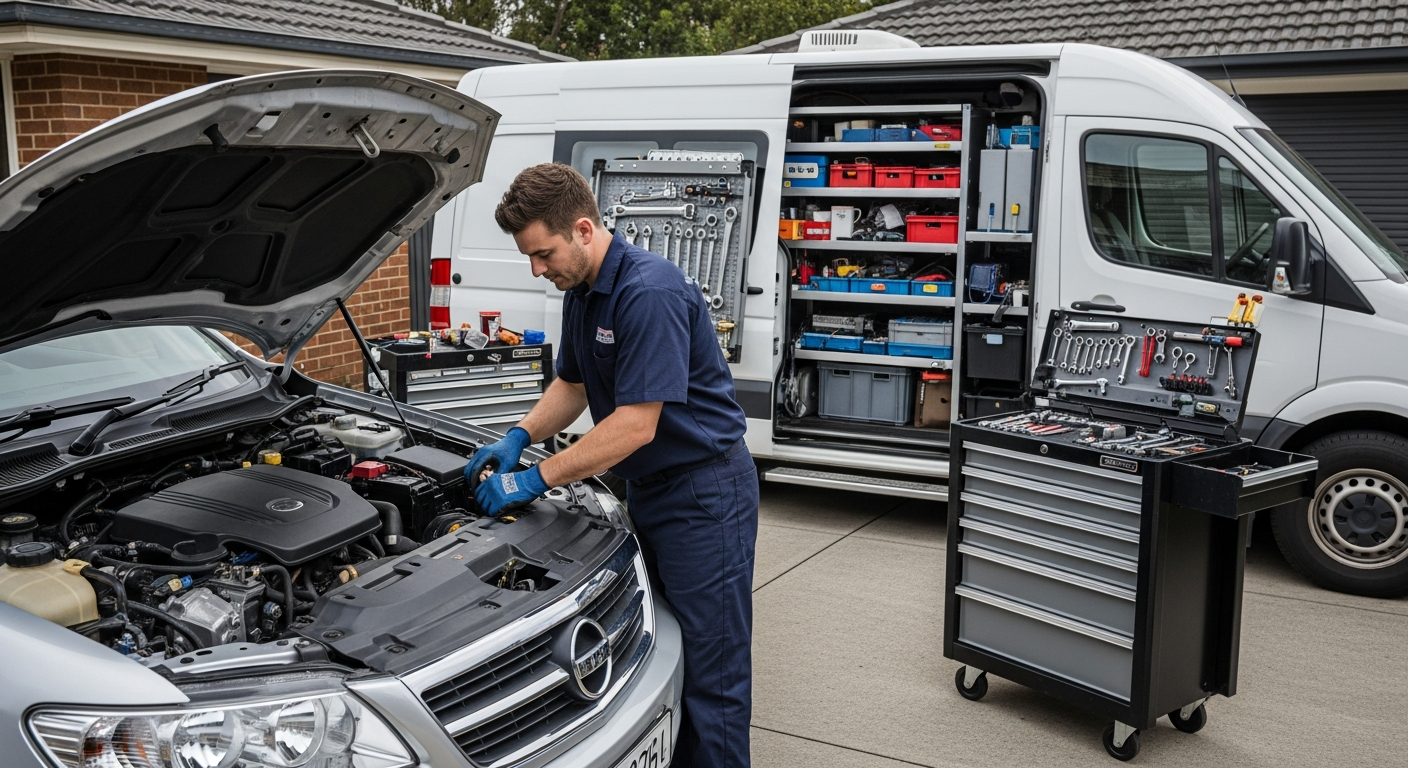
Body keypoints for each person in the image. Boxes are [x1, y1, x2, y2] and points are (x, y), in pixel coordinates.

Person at [465, 162, 758, 767]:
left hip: (705, 496)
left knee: (713, 673)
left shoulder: (646, 291)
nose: (537, 270)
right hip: (650, 490)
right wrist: (518, 435)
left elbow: (634, 423)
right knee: (655, 649)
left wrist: (534, 477)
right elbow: (572, 383)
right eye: (529, 257)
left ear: (582, 229)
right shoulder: (583, 292)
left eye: (543, 254)